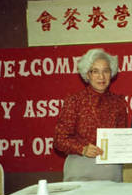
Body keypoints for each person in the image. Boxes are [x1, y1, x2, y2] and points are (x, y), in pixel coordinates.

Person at [54, 48, 127, 182]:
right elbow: (59, 140)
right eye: (95, 71)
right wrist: (82, 149)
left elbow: (121, 138)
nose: (101, 76)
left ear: (111, 74)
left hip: (111, 171)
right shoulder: (74, 101)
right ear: (87, 75)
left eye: (106, 71)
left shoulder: (119, 103)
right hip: (81, 168)